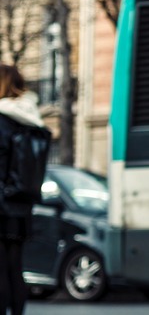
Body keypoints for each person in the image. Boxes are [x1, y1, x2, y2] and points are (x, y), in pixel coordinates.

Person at [0, 64, 45, 315]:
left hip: (1, 204)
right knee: (15, 269)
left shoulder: (2, 119)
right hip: (21, 205)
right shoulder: (30, 120)